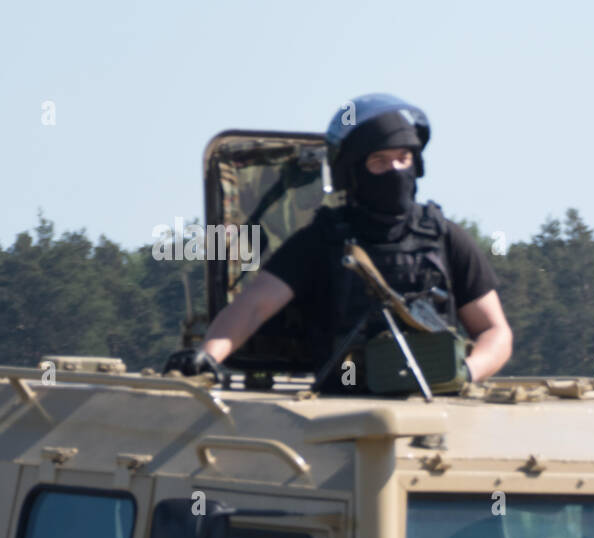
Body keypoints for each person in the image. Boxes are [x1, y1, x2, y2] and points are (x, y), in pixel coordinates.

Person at [163, 94, 512, 391]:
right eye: (379, 161)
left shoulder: (445, 238)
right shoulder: (323, 241)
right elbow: (252, 307)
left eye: (403, 158)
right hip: (345, 398)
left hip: (438, 402)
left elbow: (495, 331)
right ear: (352, 172)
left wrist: (465, 373)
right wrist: (207, 355)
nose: (395, 171)